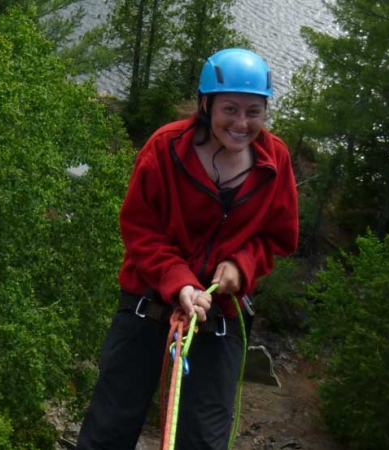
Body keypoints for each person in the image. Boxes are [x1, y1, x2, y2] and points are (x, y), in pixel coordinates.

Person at [75, 48, 299, 450]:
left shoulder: (274, 160)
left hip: (220, 315)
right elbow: (140, 227)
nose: (242, 123)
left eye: (254, 111)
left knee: (204, 441)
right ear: (206, 103)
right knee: (108, 429)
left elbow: (278, 236)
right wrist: (179, 282)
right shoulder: (166, 148)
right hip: (147, 306)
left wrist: (240, 265)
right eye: (230, 108)